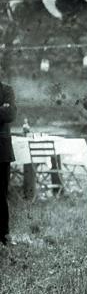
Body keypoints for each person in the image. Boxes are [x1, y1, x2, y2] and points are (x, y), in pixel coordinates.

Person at [0, 80, 16, 246]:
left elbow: (10, 114)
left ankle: (4, 234)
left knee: (1, 194)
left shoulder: (7, 89)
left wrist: (5, 110)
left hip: (1, 152)